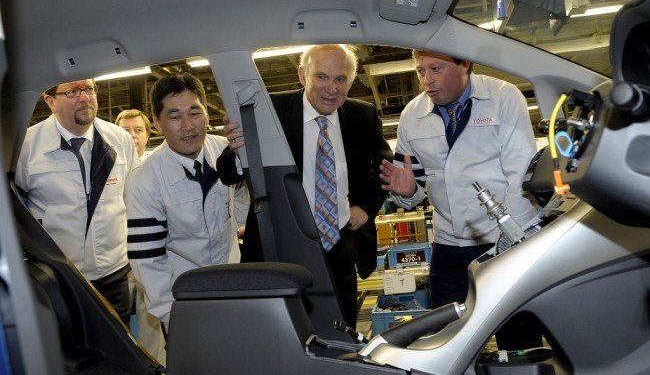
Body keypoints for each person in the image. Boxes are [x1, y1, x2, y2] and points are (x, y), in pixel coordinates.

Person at [379, 50, 541, 349]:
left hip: (502, 239)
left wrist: (513, 242)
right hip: (449, 244)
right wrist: (407, 193)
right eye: (420, 71)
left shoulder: (503, 97)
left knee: (517, 335)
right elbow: (413, 190)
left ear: (464, 63)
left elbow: (520, 176)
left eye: (436, 69)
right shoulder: (412, 116)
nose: (426, 80)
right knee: (446, 339)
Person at [225, 44, 393, 328]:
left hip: (339, 247)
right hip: (281, 246)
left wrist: (366, 207)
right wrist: (238, 151)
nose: (331, 88)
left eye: (340, 79)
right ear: (302, 75)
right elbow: (228, 173)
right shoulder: (269, 110)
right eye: (321, 77)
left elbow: (383, 168)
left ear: (351, 82)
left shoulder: (363, 116)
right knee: (281, 333)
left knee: (340, 333)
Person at [125, 73, 243, 331]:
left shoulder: (228, 153)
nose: (188, 126)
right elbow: (147, 261)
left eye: (195, 112)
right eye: (175, 117)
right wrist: (175, 319)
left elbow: (245, 203)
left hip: (234, 288)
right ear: (157, 123)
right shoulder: (144, 181)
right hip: (184, 300)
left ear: (207, 115)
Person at [15, 79, 138, 324]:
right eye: (72, 91)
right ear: (50, 101)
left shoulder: (119, 140)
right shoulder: (27, 146)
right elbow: (18, 210)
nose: (84, 97)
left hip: (113, 273)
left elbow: (133, 199)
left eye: (89, 89)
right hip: (60, 277)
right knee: (68, 345)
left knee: (120, 343)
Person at [115, 109, 166, 363]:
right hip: (116, 256)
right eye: (125, 130)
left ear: (147, 135)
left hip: (149, 250)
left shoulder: (157, 166)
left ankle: (154, 364)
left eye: (138, 130)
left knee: (151, 316)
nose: (132, 136)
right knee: (117, 318)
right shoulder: (110, 167)